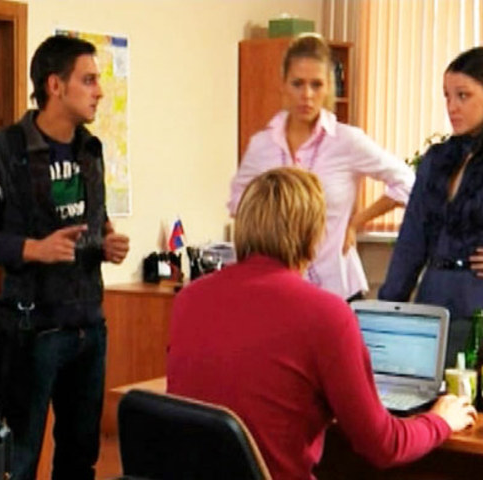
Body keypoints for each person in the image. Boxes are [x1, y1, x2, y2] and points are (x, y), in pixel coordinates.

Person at [168, 167, 476, 480]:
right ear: (313, 234)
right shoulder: (325, 314)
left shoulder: (188, 299)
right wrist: (441, 420)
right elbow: (384, 445)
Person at [0, 35, 129, 480]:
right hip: (31, 330)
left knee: (81, 458)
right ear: (55, 85)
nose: (99, 91)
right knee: (20, 459)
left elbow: (92, 218)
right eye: (88, 80)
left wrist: (107, 241)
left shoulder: (91, 149)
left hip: (89, 325)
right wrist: (34, 249)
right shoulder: (1, 151)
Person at [228, 33, 414, 301]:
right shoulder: (262, 146)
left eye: (316, 85)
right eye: (298, 84)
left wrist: (355, 222)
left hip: (337, 290)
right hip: (279, 293)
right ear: (283, 85)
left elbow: (407, 181)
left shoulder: (347, 141)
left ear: (329, 88)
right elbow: (239, 205)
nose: (307, 95)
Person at [379, 46, 483, 367]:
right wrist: (385, 312)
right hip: (432, 306)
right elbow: (411, 243)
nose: (452, 107)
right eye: (447, 96)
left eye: (463, 95)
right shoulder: (437, 160)